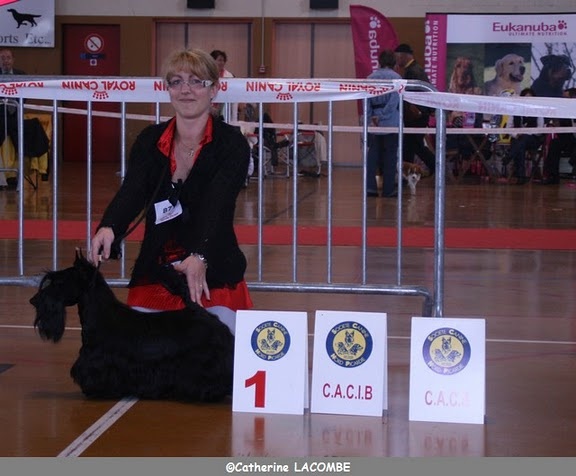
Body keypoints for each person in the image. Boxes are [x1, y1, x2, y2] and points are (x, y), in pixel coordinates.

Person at [89, 48, 253, 335]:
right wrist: (109, 226)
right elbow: (133, 190)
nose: (185, 90)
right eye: (176, 82)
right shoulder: (149, 140)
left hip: (214, 269)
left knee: (218, 351)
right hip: (156, 271)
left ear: (214, 89)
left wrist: (200, 256)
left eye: (196, 81)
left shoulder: (232, 144)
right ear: (168, 89)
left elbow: (219, 204)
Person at [394, 43, 436, 176]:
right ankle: (409, 173)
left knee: (413, 145)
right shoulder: (415, 69)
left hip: (416, 115)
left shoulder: (412, 71)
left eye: (397, 57)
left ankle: (434, 167)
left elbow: (414, 94)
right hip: (419, 114)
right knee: (412, 145)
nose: (396, 61)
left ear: (403, 56)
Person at [366, 49, 401, 198]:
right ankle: (388, 189)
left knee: (372, 155)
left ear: (379, 62)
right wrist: (383, 115)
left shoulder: (370, 78)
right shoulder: (397, 78)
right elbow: (394, 102)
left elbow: (366, 100)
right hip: (391, 121)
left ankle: (370, 187)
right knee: (390, 156)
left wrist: (372, 116)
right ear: (393, 63)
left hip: (374, 121)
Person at [506, 88, 544, 185]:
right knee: (521, 145)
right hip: (517, 138)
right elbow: (508, 127)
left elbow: (540, 129)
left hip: (533, 139)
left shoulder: (538, 111)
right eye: (525, 98)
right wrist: (516, 134)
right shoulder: (515, 111)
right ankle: (521, 176)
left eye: (530, 98)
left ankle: (510, 156)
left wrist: (527, 133)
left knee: (523, 139)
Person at [1, 48, 26, 190]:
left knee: (22, 145)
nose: (5, 61)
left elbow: (26, 95)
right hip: (0, 117)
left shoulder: (22, 75)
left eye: (8, 58)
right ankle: (1, 180)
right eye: (2, 58)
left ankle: (17, 179)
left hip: (15, 116)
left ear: (13, 60)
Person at [541, 87, 576, 184]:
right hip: (570, 140)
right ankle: (553, 176)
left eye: (566, 98)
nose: (564, 100)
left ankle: (573, 166)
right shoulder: (564, 111)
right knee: (554, 144)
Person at [209, 49, 237, 121]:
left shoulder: (229, 76)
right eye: (219, 60)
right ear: (212, 61)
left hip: (223, 110)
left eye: (223, 60)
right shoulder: (205, 74)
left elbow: (233, 97)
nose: (222, 62)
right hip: (208, 108)